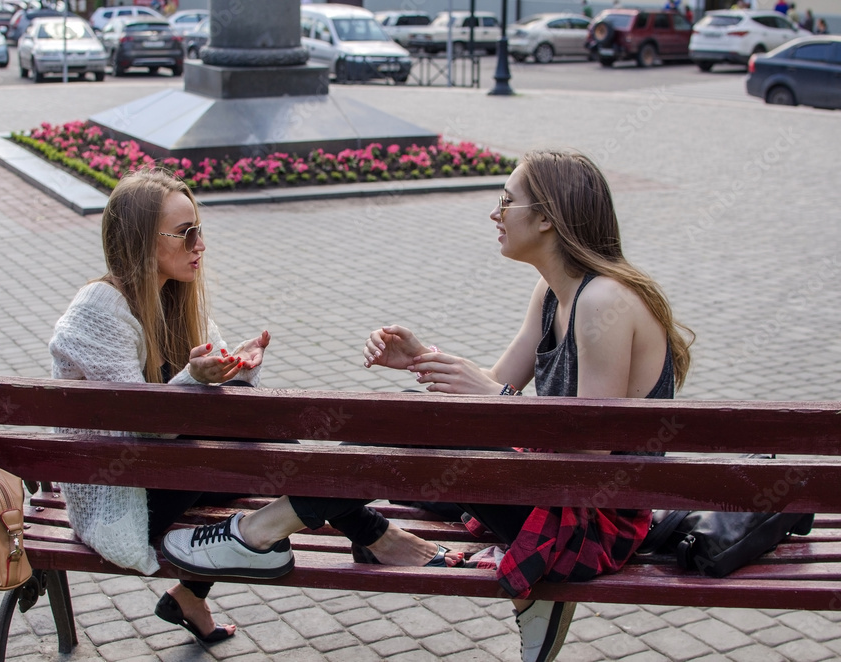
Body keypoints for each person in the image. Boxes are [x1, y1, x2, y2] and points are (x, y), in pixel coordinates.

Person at [162, 150, 694, 662]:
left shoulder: (605, 301)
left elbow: (590, 457)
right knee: (399, 429)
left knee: (406, 426)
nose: (495, 213)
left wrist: (488, 398)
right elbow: (495, 393)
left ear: (549, 218)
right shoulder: (553, 293)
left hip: (589, 521)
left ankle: (251, 536)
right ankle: (267, 544)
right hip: (549, 489)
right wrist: (424, 359)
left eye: (507, 201)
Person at [50, 169, 274, 645]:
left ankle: (190, 595)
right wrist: (197, 378)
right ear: (138, 241)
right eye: (184, 233)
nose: (200, 245)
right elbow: (145, 430)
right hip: (123, 499)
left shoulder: (175, 297)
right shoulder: (99, 309)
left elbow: (213, 387)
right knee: (283, 470)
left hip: (168, 472)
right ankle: (372, 534)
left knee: (269, 444)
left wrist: (239, 367)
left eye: (200, 229)